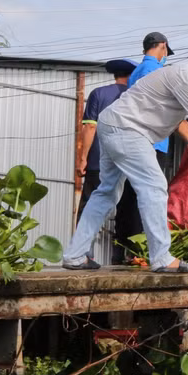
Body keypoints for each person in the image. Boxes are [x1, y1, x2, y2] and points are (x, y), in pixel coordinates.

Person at [62, 38, 188, 273]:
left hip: (113, 124)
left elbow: (175, 117)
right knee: (154, 186)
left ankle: (75, 255)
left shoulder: (183, 74)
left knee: (107, 192)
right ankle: (162, 258)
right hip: (128, 129)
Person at [76, 59, 142, 265]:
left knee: (91, 205)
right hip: (128, 160)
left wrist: (83, 157)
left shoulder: (98, 94)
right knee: (128, 207)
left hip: (99, 160)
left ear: (114, 74)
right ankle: (125, 255)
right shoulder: (135, 96)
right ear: (132, 75)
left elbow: (90, 128)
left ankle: (83, 253)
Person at [128, 32, 174, 171]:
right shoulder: (156, 69)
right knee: (152, 190)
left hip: (136, 138)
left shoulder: (136, 71)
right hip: (152, 142)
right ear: (164, 46)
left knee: (132, 189)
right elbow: (159, 104)